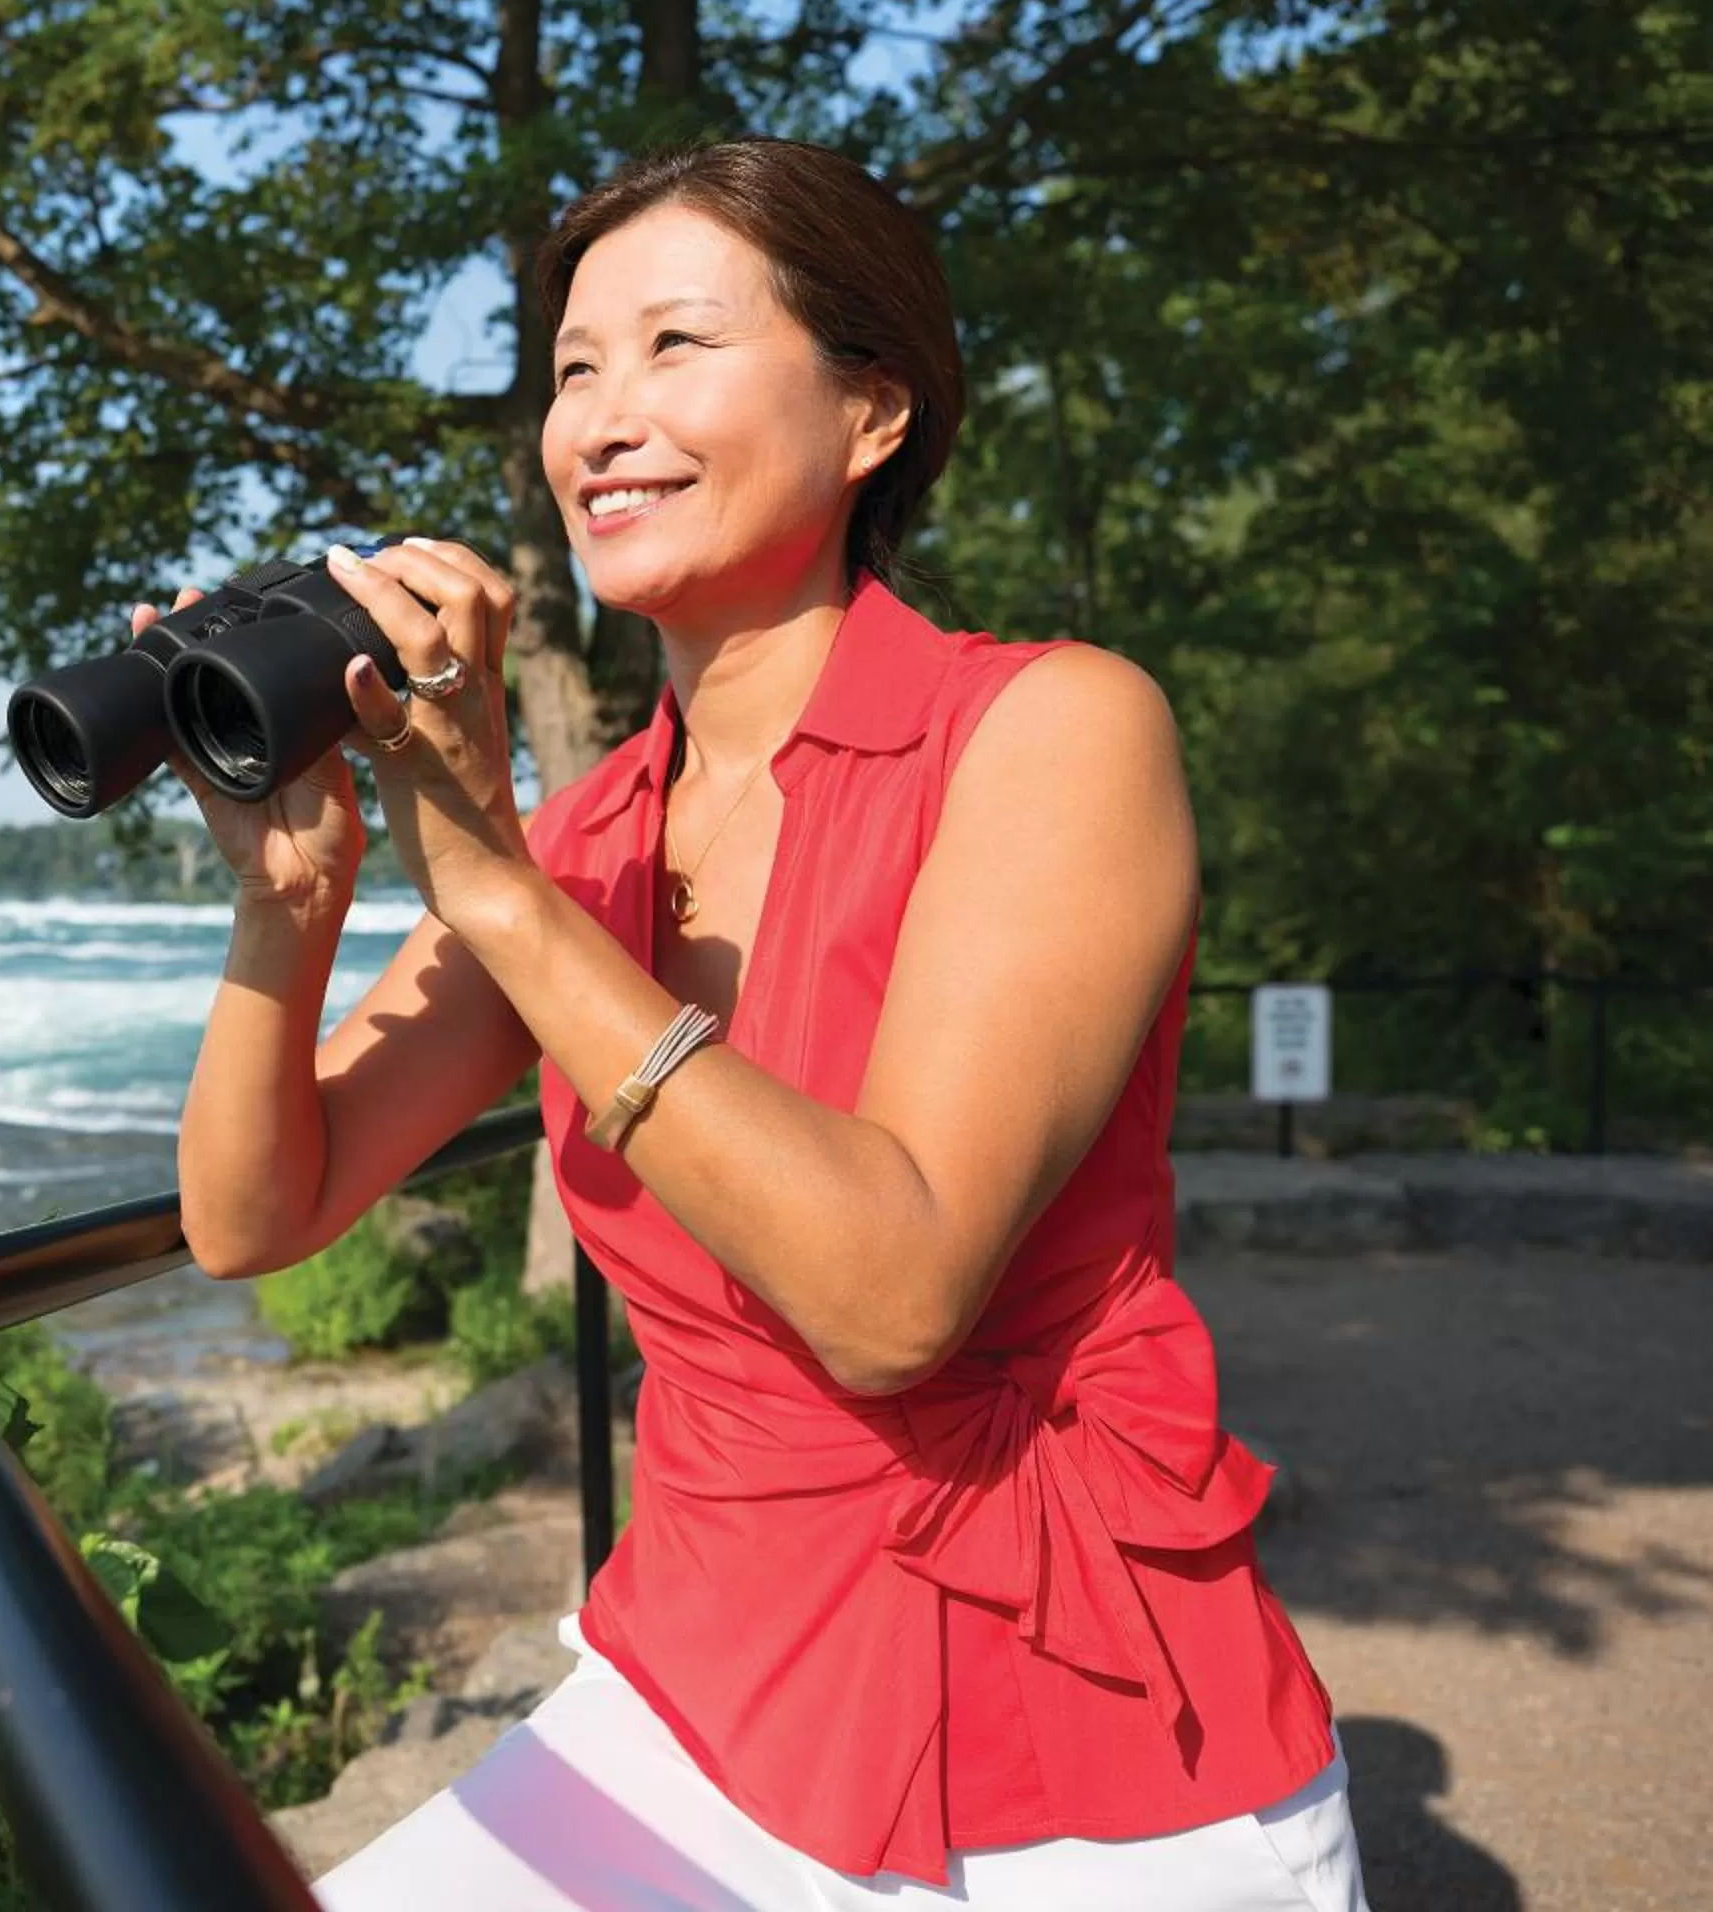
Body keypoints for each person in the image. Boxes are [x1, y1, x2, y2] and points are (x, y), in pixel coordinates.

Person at [148, 139, 1370, 1911]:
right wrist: (290, 903)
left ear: (873, 416)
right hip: (695, 1702)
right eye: (575, 370)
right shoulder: (579, 844)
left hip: (1068, 1760)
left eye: (677, 347)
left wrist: (491, 883)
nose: (604, 420)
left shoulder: (1050, 736)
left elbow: (893, 1298)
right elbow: (253, 1216)